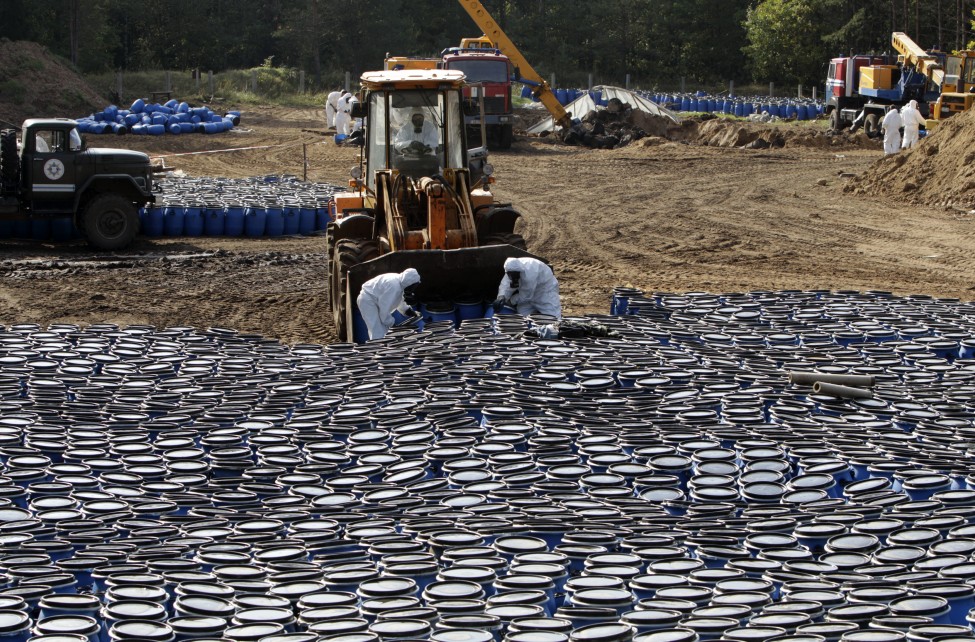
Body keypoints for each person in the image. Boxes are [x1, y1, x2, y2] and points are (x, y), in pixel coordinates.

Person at [356, 268, 421, 340]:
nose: (413, 289)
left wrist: (407, 310)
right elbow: (384, 311)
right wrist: (392, 324)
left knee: (384, 331)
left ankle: (382, 347)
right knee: (377, 331)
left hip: (374, 300)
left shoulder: (400, 282)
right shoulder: (393, 286)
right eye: (413, 286)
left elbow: (399, 300)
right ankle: (378, 349)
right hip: (368, 301)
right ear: (409, 282)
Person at [492, 257, 561, 318]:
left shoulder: (530, 273)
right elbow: (505, 284)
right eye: (510, 275)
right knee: (522, 314)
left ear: (520, 272)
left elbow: (526, 296)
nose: (513, 278)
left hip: (544, 292)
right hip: (527, 296)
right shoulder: (511, 269)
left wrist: (510, 301)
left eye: (515, 276)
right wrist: (502, 296)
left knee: (553, 318)